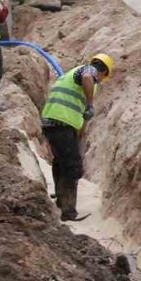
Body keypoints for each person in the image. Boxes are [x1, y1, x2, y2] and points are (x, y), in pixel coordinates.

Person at [41, 53, 115, 222]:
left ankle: (60, 198)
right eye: (103, 77)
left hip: (51, 122)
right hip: (61, 123)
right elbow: (89, 77)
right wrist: (90, 104)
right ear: (103, 71)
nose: (101, 81)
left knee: (60, 161)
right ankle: (68, 212)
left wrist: (80, 134)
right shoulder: (89, 71)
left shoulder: (71, 74)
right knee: (73, 168)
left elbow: (81, 115)